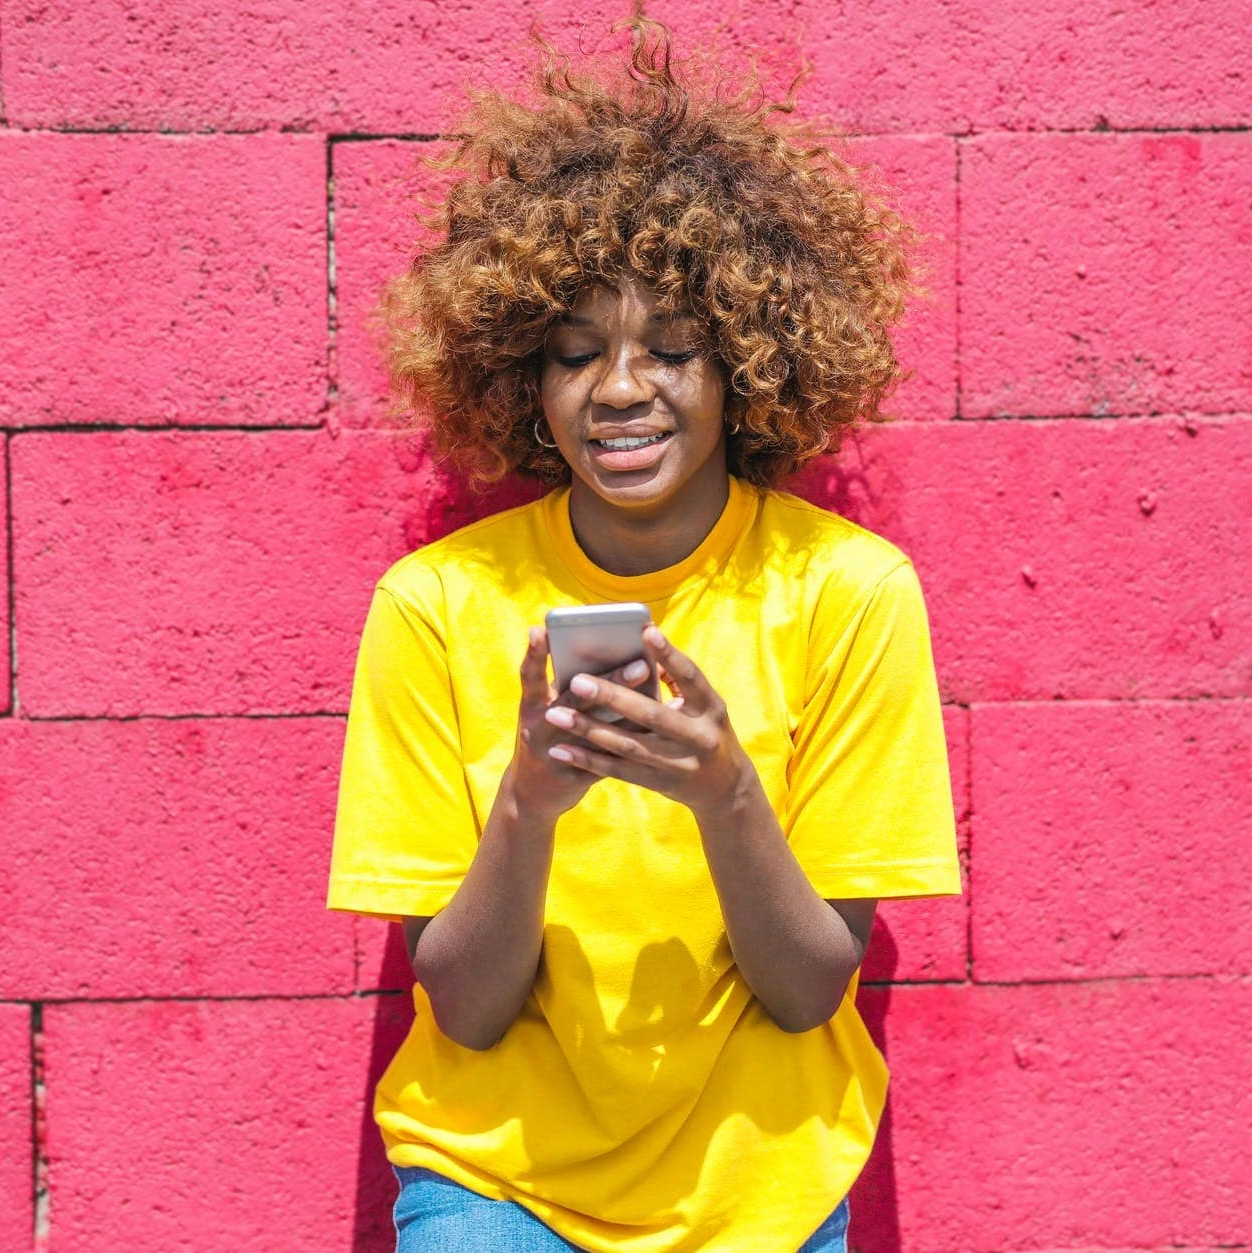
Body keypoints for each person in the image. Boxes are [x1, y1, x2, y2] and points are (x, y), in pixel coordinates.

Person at [327, 18, 959, 1252]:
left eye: (670, 348)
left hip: (755, 1191)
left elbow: (805, 987)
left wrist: (724, 788)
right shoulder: (434, 606)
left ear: (743, 365)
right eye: (576, 355)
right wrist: (525, 800)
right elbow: (460, 1008)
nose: (620, 388)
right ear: (525, 380)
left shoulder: (847, 591)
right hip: (492, 1179)